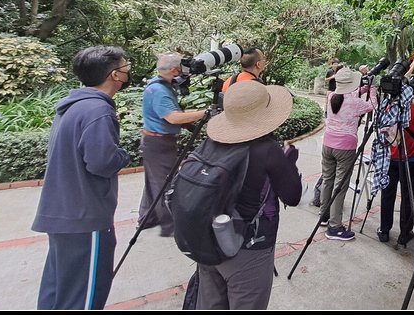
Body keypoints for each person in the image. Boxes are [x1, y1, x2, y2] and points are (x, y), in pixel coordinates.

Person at [32, 46, 132, 310]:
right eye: (125, 67)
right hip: (85, 219)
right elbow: (101, 162)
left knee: (58, 294)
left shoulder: (72, 106)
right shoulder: (97, 111)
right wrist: (124, 155)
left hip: (62, 215)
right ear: (115, 75)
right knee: (84, 299)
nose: (127, 71)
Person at [196, 81, 302, 309]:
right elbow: (292, 196)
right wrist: (288, 163)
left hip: (207, 241)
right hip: (248, 248)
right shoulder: (268, 150)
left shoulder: (212, 141)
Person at [137, 53, 206, 237]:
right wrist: (204, 113)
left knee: (153, 181)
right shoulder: (160, 91)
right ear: (175, 70)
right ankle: (171, 226)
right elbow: (173, 117)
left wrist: (190, 124)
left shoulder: (158, 84)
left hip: (155, 141)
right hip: (159, 143)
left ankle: (147, 217)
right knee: (165, 183)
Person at [319, 67, 377, 240]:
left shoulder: (331, 97)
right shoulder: (355, 103)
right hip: (345, 147)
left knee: (328, 179)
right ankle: (335, 227)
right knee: (340, 186)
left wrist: (363, 88)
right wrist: (372, 89)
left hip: (328, 143)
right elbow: (373, 105)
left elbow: (348, 95)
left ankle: (324, 216)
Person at [378, 78, 414, 248]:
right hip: (411, 159)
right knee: (408, 197)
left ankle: (384, 230)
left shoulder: (389, 108)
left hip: (391, 159)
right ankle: (405, 234)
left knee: (387, 195)